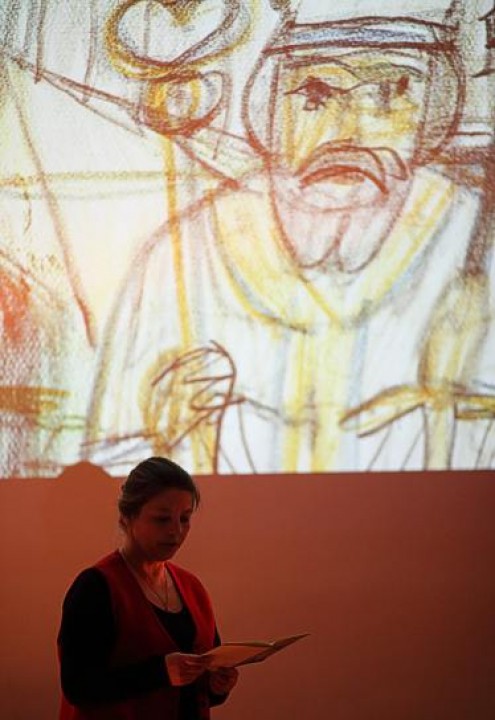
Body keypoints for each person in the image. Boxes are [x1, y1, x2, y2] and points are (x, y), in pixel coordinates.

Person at [57, 456, 238, 720]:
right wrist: (160, 672)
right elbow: (79, 686)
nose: (176, 531)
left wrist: (216, 686)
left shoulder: (192, 588)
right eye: (162, 519)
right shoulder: (96, 587)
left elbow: (201, 683)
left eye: (185, 518)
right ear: (127, 517)